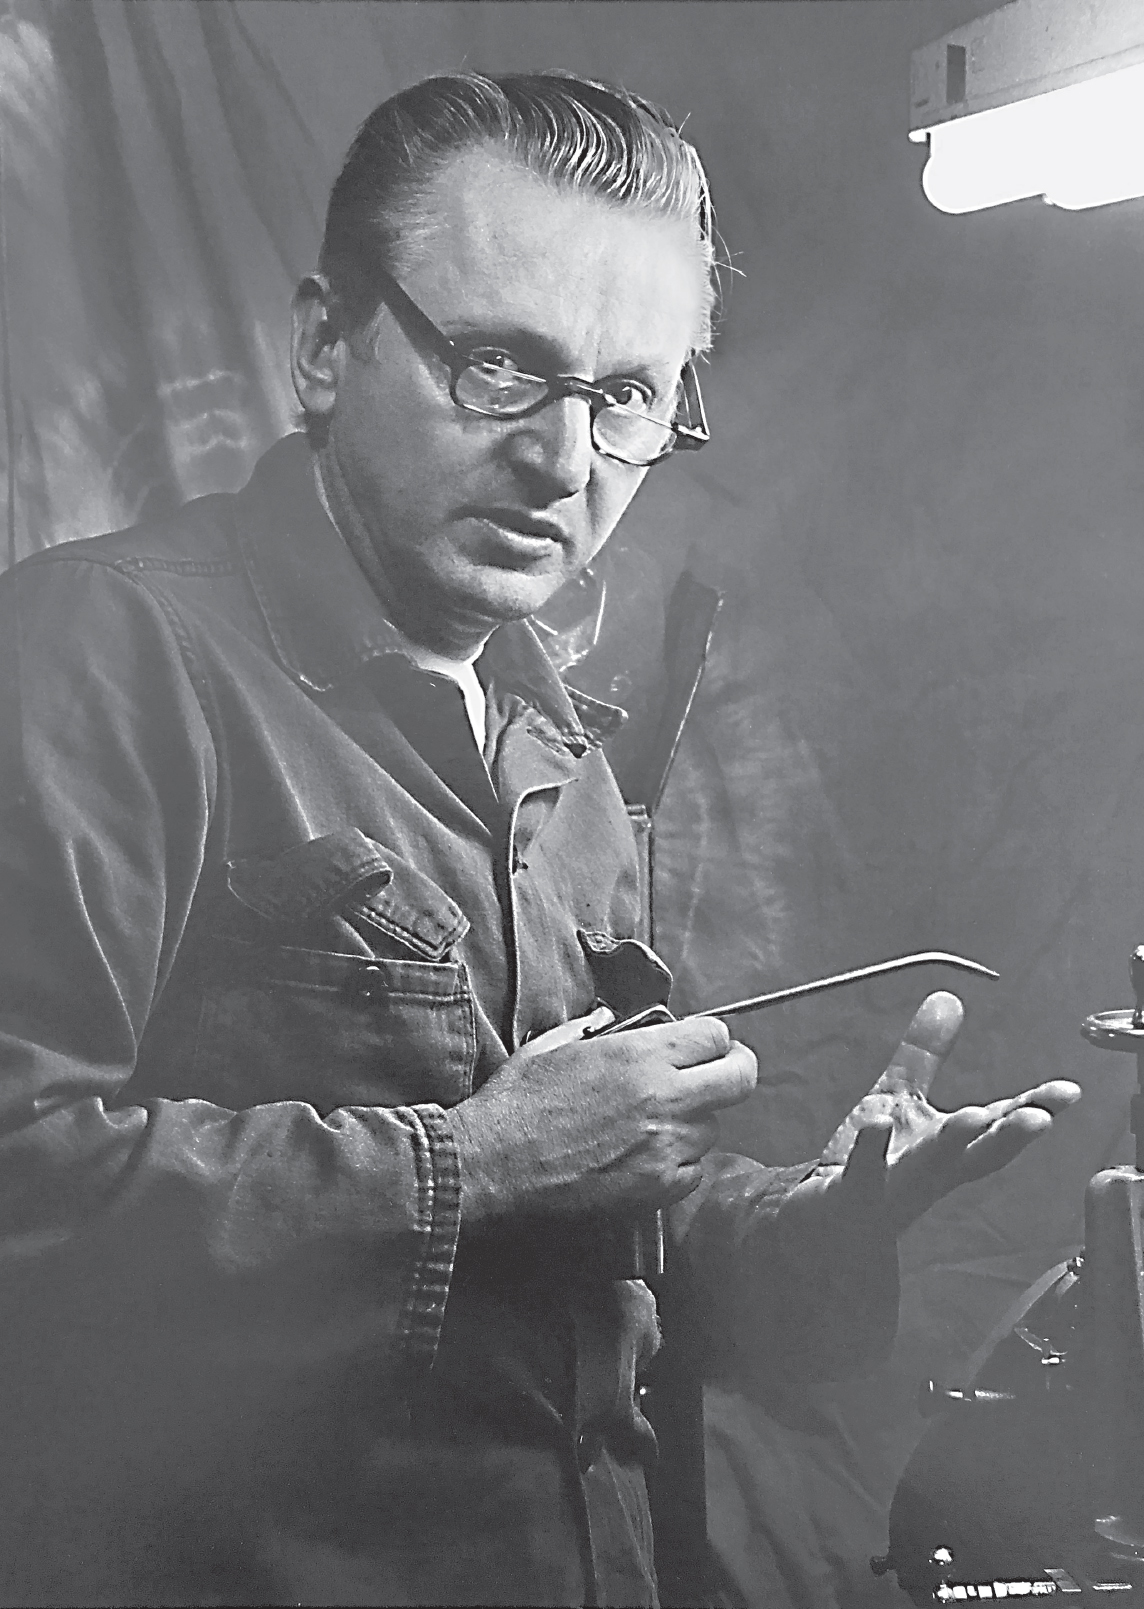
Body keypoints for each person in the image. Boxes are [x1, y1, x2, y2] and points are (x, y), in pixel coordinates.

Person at [0, 71, 1079, 1608]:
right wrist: (472, 1161)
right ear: (324, 345)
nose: (567, 465)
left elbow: (579, 1226)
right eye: (500, 366)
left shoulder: (559, 755)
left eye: (628, 394)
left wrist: (798, 1223)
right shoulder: (98, 654)